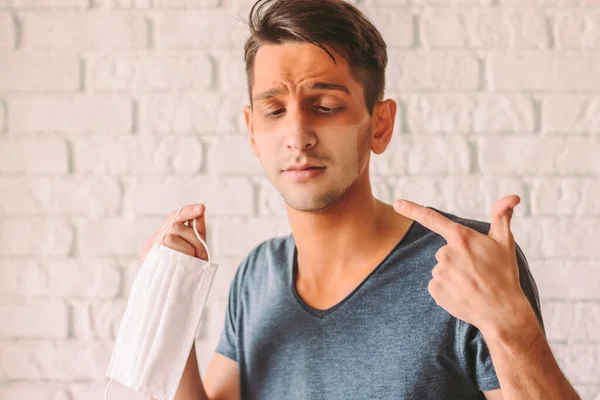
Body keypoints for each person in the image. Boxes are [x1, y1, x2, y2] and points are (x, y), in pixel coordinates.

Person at [144, 0, 581, 399]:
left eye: (326, 105)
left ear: (380, 125)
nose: (297, 135)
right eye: (274, 111)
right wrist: (170, 305)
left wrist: (511, 329)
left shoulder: (468, 262)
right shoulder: (257, 276)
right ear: (253, 132)